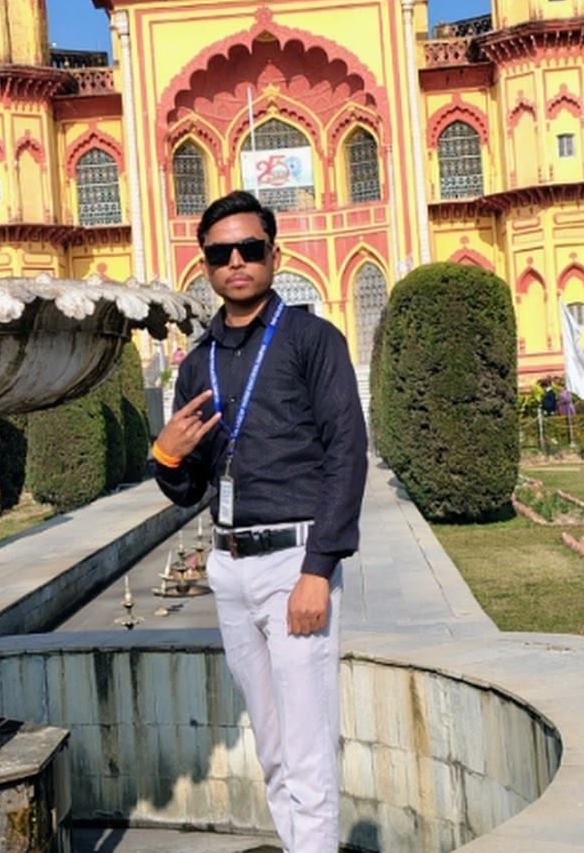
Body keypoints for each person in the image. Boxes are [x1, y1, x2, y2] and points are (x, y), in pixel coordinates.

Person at [151, 190, 368, 853]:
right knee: (272, 746)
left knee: (306, 746)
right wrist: (166, 455)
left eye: (250, 249)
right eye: (222, 254)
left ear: (275, 254)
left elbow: (347, 453)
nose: (237, 262)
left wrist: (318, 569)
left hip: (294, 562)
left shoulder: (312, 341)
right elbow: (189, 489)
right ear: (206, 266)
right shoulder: (199, 361)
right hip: (230, 566)